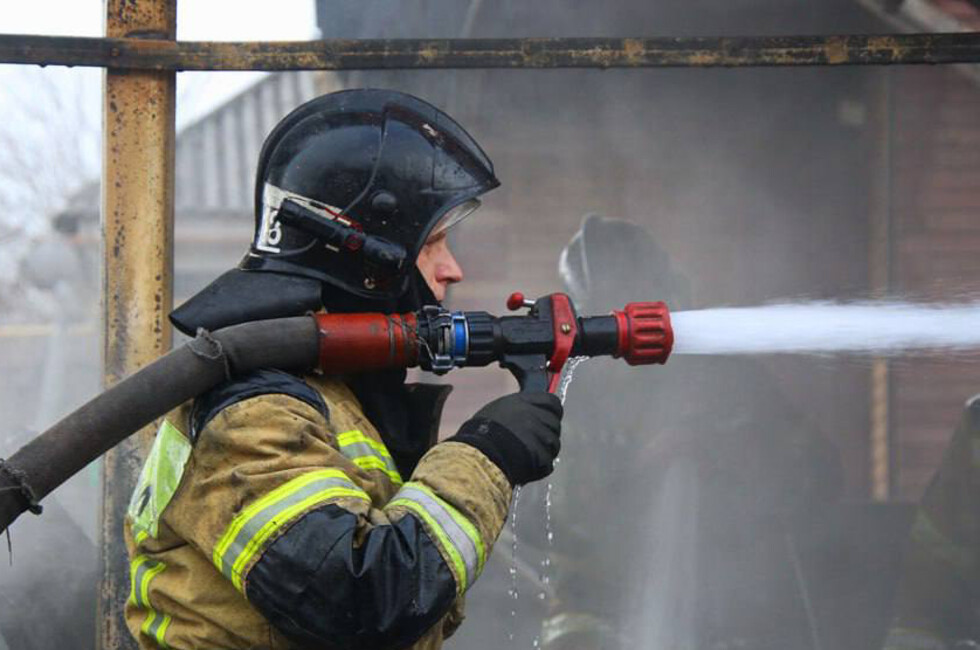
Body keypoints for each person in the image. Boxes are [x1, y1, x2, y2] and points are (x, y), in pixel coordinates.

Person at [123, 89, 563, 650]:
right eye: (433, 244)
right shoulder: (254, 412)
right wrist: (486, 454)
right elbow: (361, 600)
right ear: (367, 262)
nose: (453, 270)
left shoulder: (326, 396)